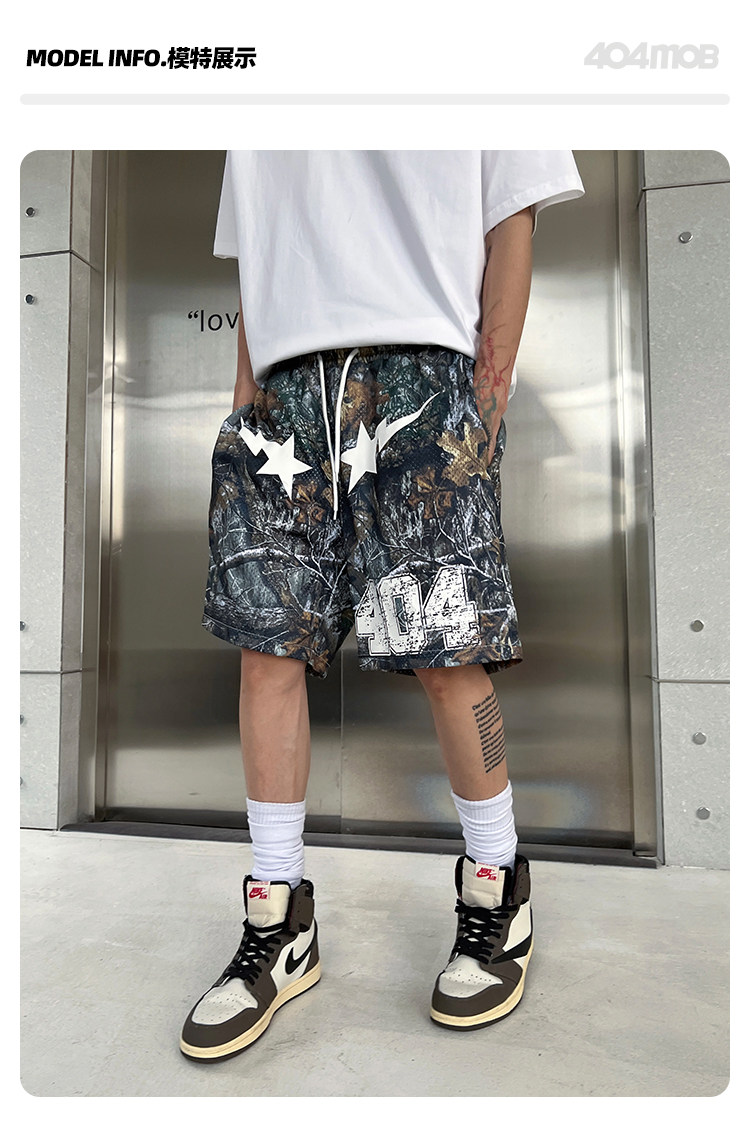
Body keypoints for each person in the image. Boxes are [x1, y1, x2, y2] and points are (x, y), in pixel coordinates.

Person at [180, 150, 584, 1061]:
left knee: (446, 651)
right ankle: (280, 918)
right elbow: (260, 259)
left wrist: (487, 395)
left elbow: (512, 211)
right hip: (282, 398)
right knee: (267, 652)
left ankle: (496, 883)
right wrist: (244, 409)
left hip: (420, 377)